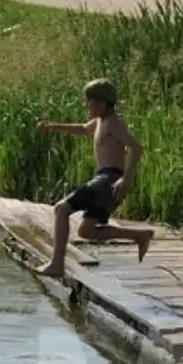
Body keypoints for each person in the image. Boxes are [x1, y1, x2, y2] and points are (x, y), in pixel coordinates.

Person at [36, 78, 154, 277]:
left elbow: (135, 147)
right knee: (86, 231)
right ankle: (139, 235)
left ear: (102, 103)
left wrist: (126, 179)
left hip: (109, 179)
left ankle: (57, 264)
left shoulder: (113, 123)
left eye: (89, 101)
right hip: (106, 178)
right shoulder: (101, 121)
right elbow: (83, 129)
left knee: (62, 209)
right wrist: (52, 127)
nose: (86, 105)